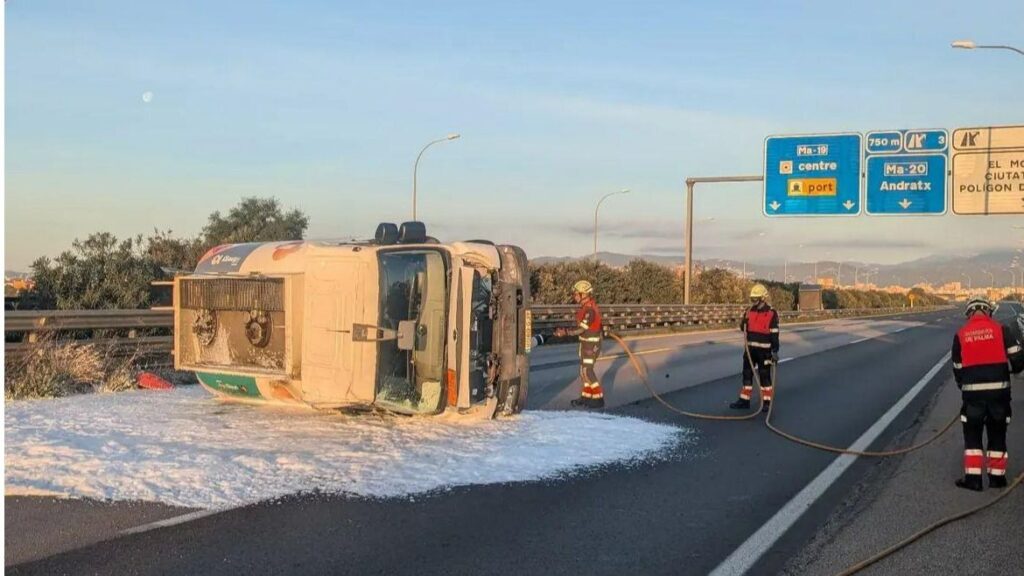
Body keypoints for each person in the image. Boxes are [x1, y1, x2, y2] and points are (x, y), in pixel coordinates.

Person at [952, 297, 1024, 491]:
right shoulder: (1001, 329)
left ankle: (973, 480)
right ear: (989, 311)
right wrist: (1016, 371)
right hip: (999, 395)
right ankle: (997, 479)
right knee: (998, 433)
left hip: (973, 397)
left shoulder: (961, 334)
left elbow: (957, 368)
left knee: (973, 437)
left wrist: (963, 385)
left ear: (969, 314)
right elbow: (1017, 356)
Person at [554, 280, 605, 409]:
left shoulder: (589, 310)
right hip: (585, 344)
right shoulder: (586, 308)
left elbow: (582, 329)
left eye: (577, 294)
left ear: (584, 294)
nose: (575, 296)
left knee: (587, 371)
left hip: (591, 345)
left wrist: (566, 332)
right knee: (583, 372)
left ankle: (598, 398)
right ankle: (587, 397)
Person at [729, 284, 779, 412]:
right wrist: (744, 321)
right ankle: (744, 400)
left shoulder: (771, 313)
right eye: (752, 299)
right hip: (750, 350)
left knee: (764, 376)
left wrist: (775, 351)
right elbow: (742, 328)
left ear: (763, 298)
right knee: (746, 375)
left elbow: (774, 333)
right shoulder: (749, 311)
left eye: (756, 299)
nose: (754, 302)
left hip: (765, 352)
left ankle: (767, 402)